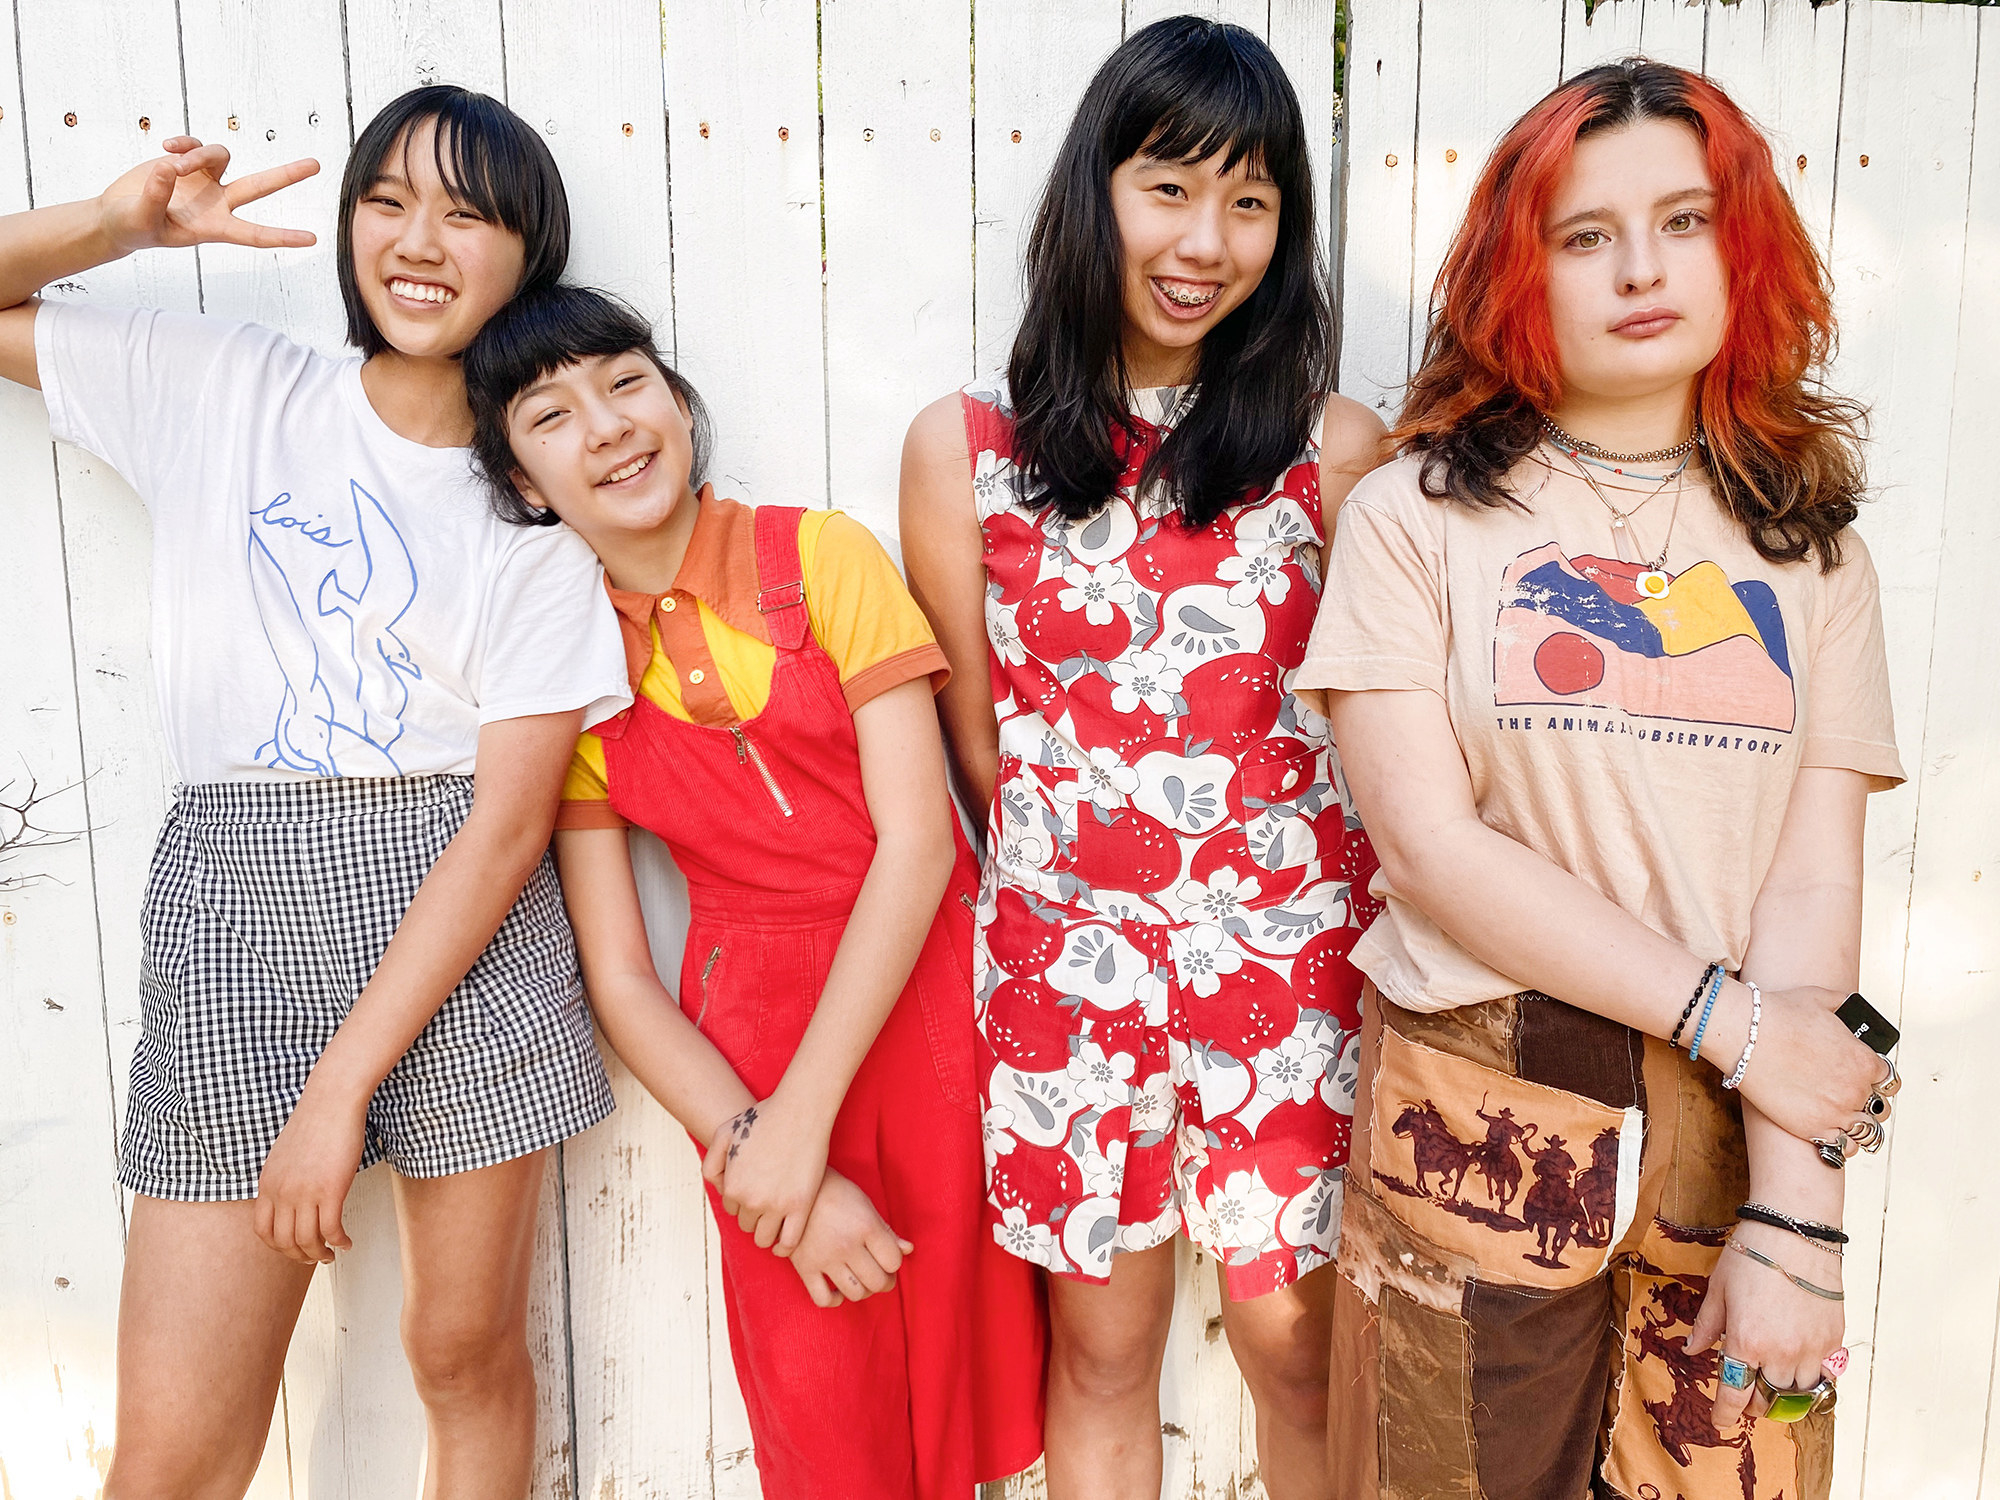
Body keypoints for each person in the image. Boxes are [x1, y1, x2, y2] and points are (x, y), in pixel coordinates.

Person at [0, 88, 632, 1500]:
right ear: (347, 224)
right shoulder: (227, 385)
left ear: (529, 255)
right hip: (240, 905)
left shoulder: (536, 500)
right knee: (172, 1452)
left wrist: (338, 1088)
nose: (422, 239)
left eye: (470, 213)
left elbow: (509, 822)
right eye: (390, 199)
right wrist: (112, 224)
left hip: (465, 912)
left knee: (466, 1362)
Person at [1297, 58, 1902, 1500]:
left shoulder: (1815, 553)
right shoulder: (1413, 516)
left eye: (1684, 221)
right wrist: (1733, 1019)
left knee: (1725, 1476)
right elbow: (1432, 850)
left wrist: (1799, 1218)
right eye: (1585, 236)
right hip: (1483, 1093)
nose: (1641, 268)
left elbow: (1812, 883)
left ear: (1740, 247)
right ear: (1524, 266)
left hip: (1734, 1109)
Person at [899, 18, 1385, 1500]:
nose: (1207, 239)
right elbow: (986, 750)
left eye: (1251, 200)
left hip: (1292, 966)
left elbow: (1368, 728)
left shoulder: (1333, 449)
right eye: (1171, 185)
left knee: (1295, 1345)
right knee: (1103, 1350)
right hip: (1069, 970)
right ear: (1093, 191)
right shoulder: (963, 449)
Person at [461, 283, 1046, 1500]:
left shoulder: (818, 554)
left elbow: (920, 844)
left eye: (626, 382)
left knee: (953, 1411)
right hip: (746, 1056)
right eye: (551, 414)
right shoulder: (566, 665)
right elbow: (618, 976)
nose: (609, 424)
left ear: (675, 403)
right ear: (522, 483)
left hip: (929, 1021)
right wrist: (752, 1148)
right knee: (824, 1430)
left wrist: (799, 1129)